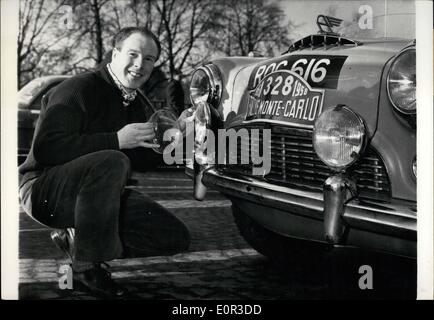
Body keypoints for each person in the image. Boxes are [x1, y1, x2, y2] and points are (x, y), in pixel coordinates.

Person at [18, 27, 192, 298]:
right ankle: (85, 268)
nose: (140, 65)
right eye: (133, 54)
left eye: (149, 59)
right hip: (42, 191)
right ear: (115, 54)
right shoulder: (79, 88)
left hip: (93, 195)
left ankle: (77, 239)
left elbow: (137, 159)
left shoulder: (131, 99)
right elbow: (45, 149)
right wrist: (116, 140)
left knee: (174, 237)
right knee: (112, 160)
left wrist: (173, 146)